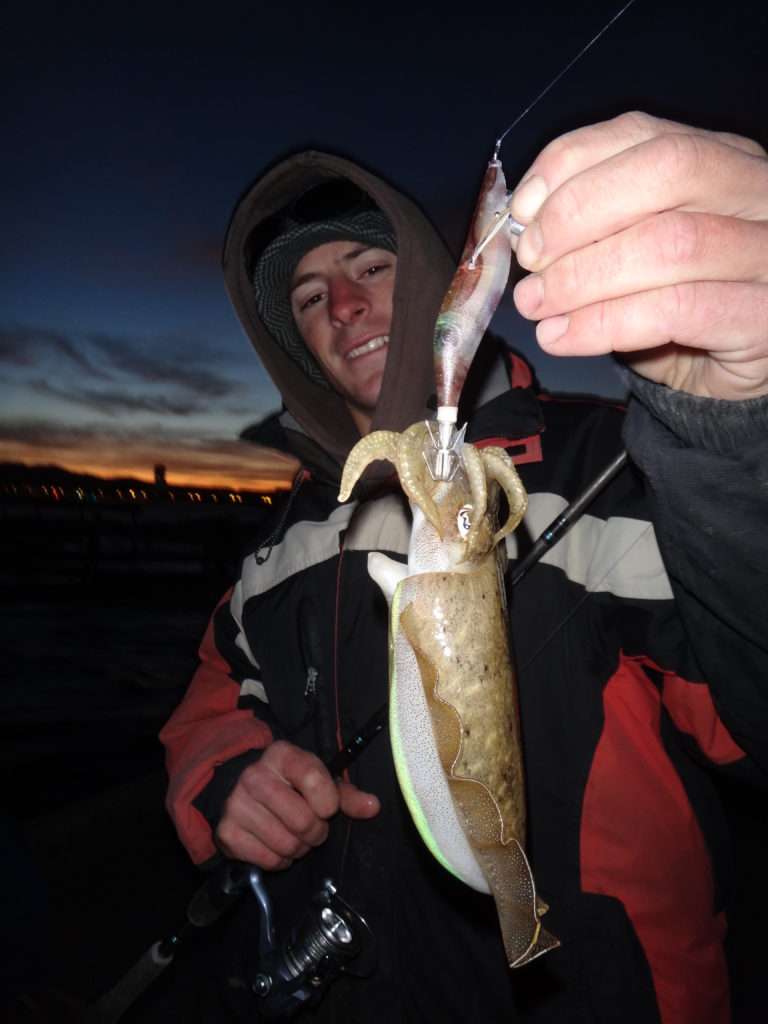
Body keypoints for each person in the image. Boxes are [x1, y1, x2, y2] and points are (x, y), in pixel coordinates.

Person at [159, 112, 768, 1023]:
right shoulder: (282, 537)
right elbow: (217, 690)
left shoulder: (610, 462)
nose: (345, 307)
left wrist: (730, 440)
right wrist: (228, 778)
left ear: (448, 285)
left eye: (370, 267)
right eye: (309, 299)